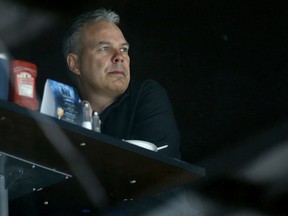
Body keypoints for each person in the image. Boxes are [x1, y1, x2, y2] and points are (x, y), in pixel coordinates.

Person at [63, 8, 180, 159]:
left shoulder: (146, 96)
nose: (119, 57)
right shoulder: (62, 109)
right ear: (75, 64)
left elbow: (158, 172)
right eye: (104, 48)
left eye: (124, 49)